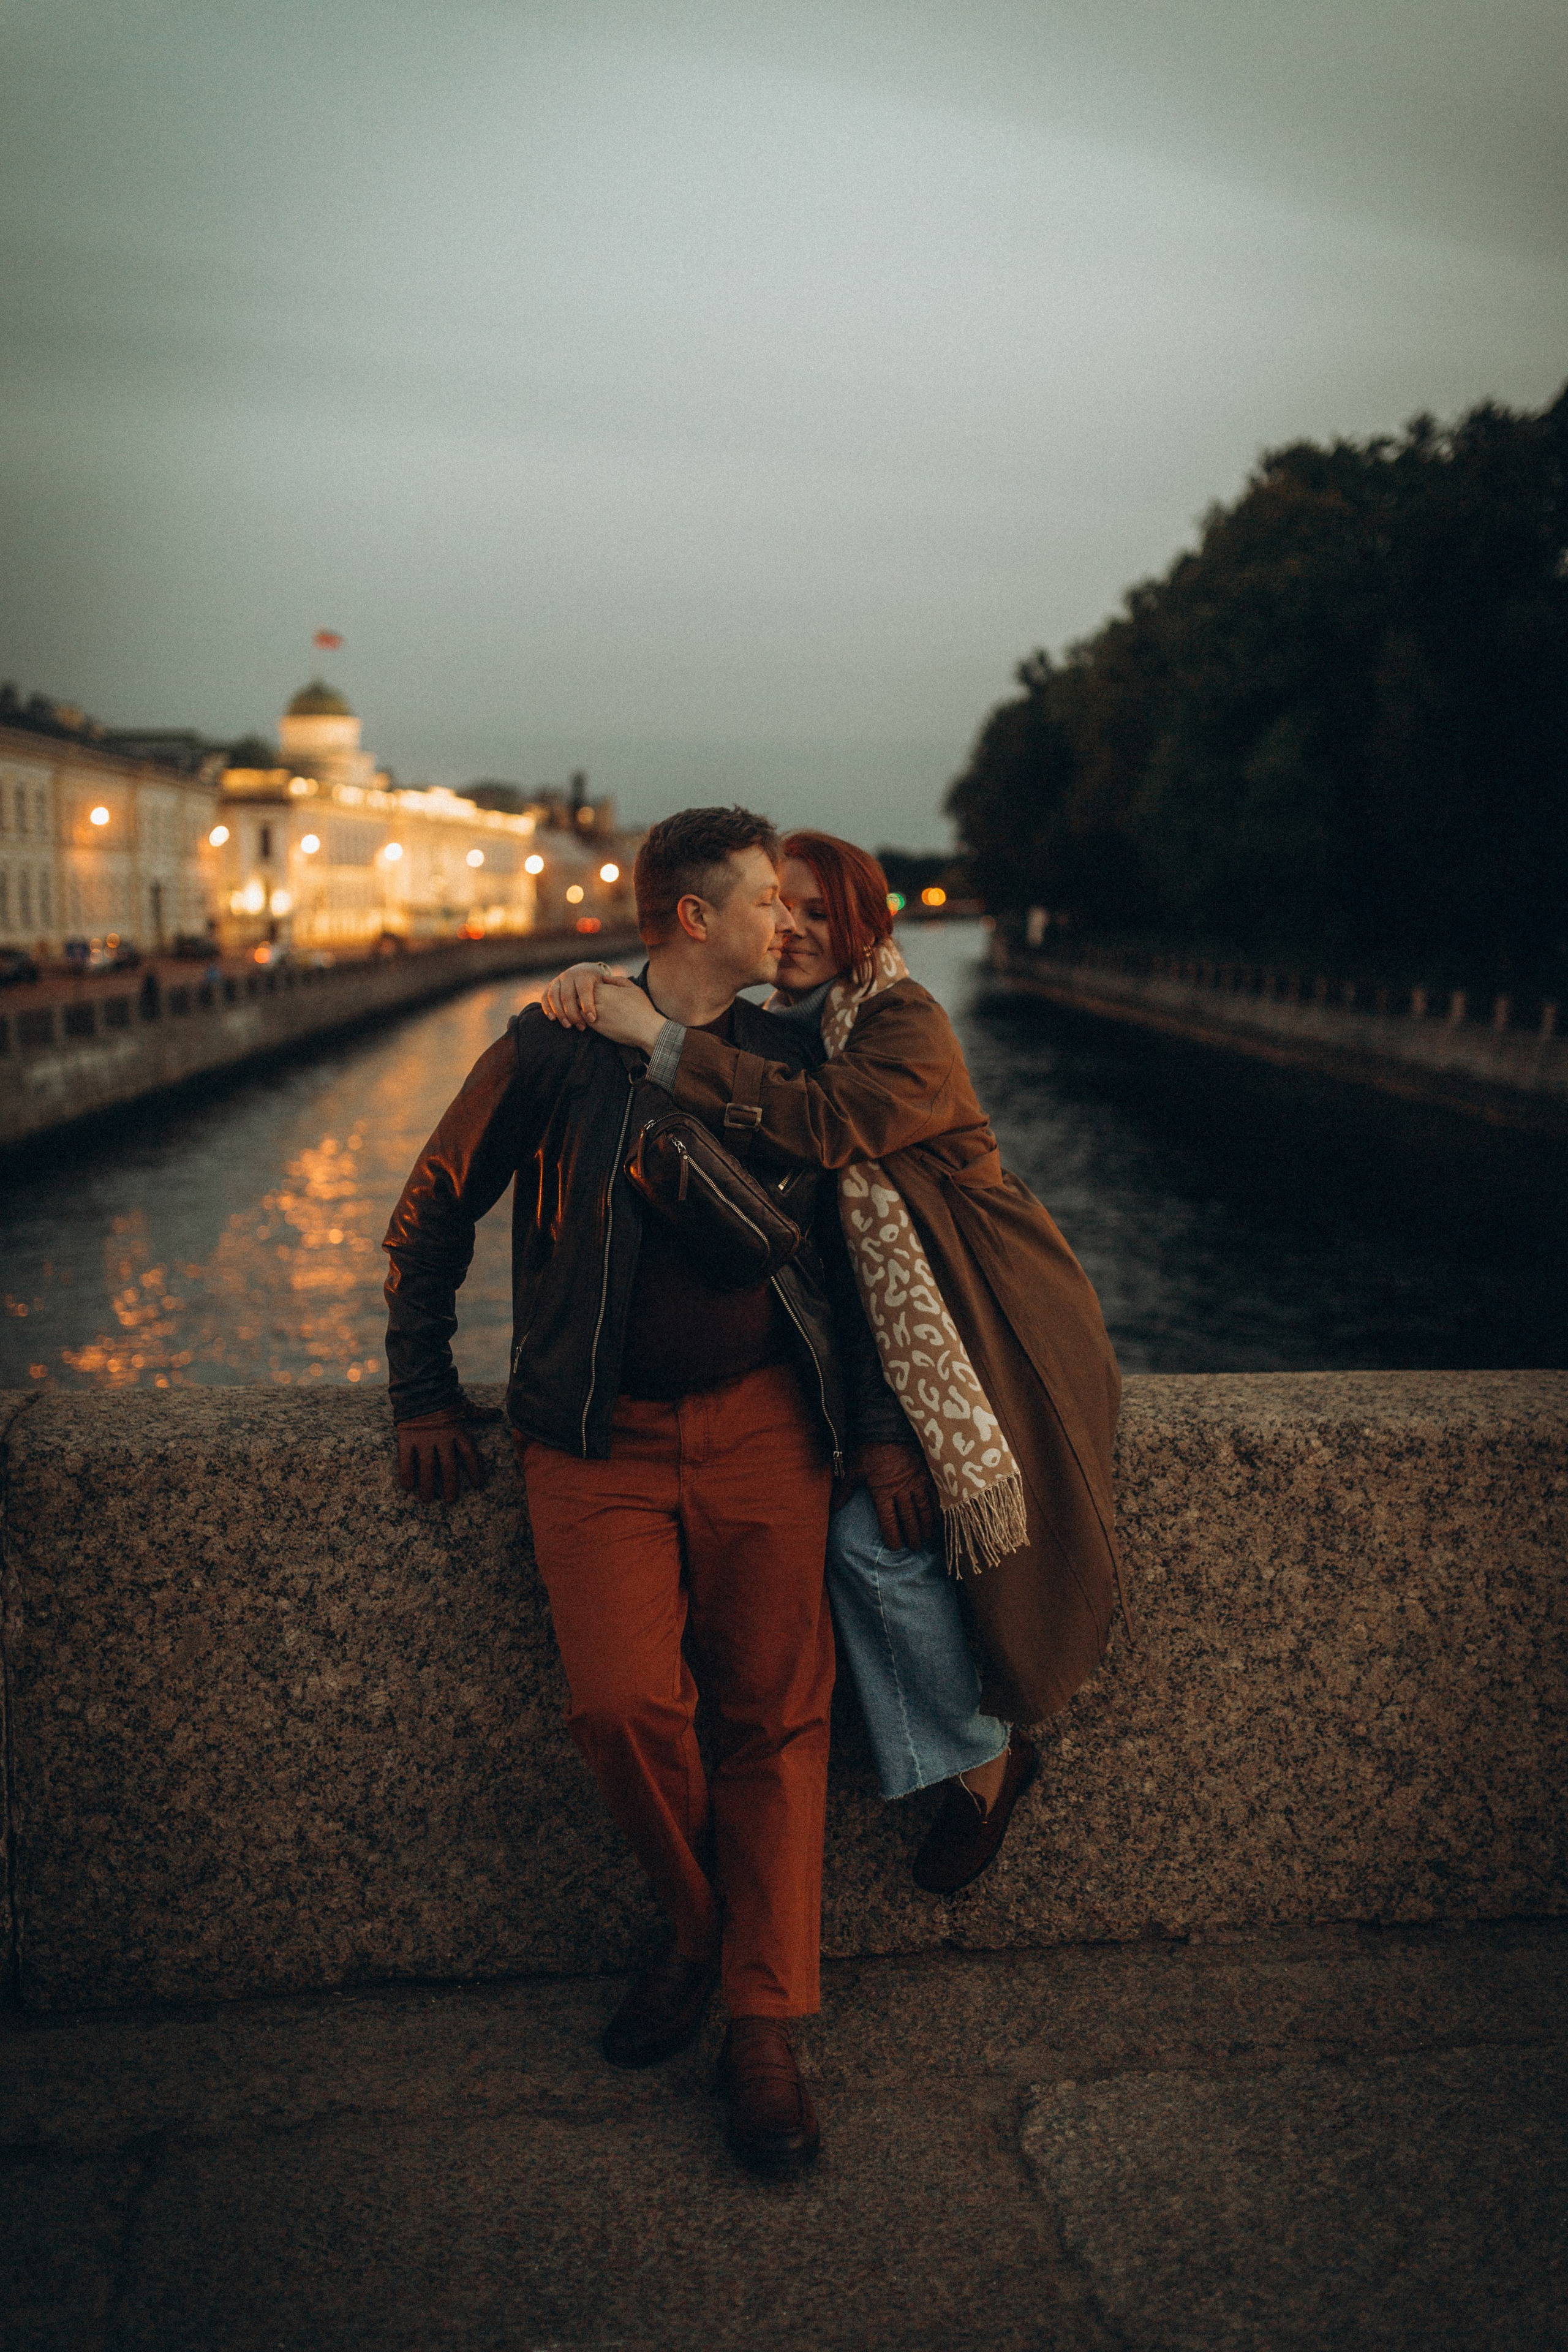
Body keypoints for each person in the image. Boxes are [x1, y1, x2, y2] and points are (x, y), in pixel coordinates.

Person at [382, 807, 919, 2180]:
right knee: (619, 1705)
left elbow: (853, 1270)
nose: (787, 927)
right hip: (590, 1439)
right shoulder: (555, 1045)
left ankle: (760, 2024)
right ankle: (696, 1922)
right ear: (695, 918)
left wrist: (876, 1434)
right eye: (764, 906)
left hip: (764, 1435)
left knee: (775, 1721)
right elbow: (435, 1203)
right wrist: (421, 1390)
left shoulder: (799, 1056)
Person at [541, 831, 1126, 1894]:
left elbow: (819, 1124)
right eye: (781, 907)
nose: (793, 929)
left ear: (865, 924)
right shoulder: (804, 1028)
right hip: (907, 1338)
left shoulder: (904, 1023)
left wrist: (653, 1034)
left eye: (818, 912)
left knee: (870, 1545)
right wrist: (612, 987)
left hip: (988, 1322)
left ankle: (985, 1759)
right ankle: (976, 1757)